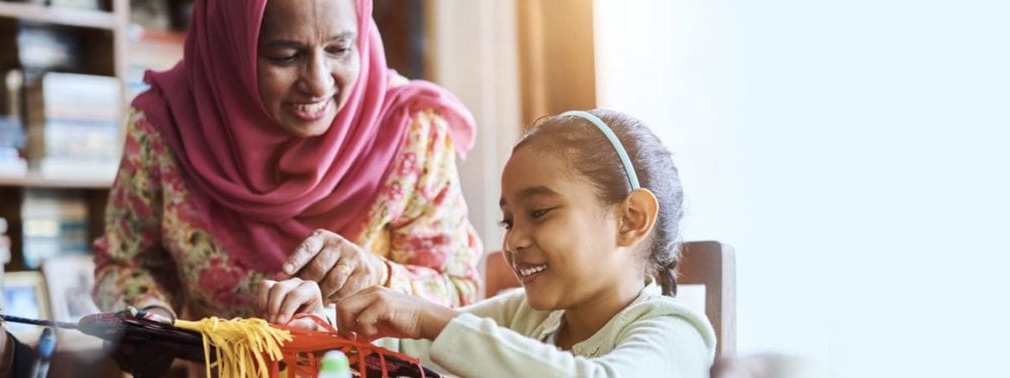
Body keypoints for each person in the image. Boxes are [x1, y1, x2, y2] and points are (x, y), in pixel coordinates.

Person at [92, 0, 482, 324]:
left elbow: (460, 290)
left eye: (340, 49)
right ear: (231, 49)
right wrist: (152, 318)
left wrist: (376, 276)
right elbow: (124, 264)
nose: (318, 82)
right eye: (286, 56)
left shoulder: (411, 130)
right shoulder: (164, 127)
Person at [261, 109, 718, 376]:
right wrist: (313, 324)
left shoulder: (677, 329)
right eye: (507, 221)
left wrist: (432, 319)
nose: (515, 240)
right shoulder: (520, 314)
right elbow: (396, 347)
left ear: (631, 219)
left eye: (539, 213)